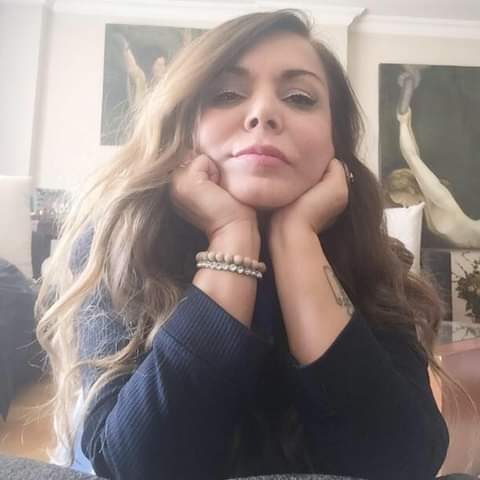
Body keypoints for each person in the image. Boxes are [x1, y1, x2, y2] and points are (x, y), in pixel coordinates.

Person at [36, 10, 451, 480]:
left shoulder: (374, 260)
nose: (263, 113)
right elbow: (138, 466)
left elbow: (404, 461)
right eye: (227, 94)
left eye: (299, 97)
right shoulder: (120, 244)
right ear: (182, 127)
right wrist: (232, 232)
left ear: (335, 143)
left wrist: (296, 241)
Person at [396, 65, 480, 248]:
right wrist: (405, 121)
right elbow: (414, 153)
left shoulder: (438, 196)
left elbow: (411, 156)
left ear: (411, 190)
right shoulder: (428, 206)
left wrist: (403, 122)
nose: (404, 207)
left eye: (402, 202)